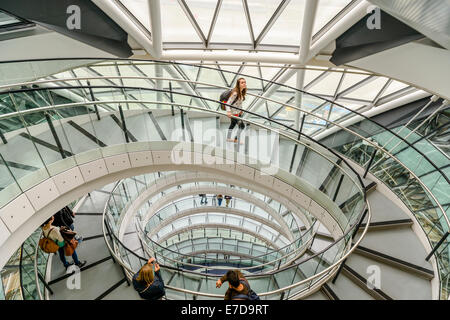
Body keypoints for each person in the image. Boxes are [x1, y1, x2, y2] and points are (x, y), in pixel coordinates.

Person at [226, 78, 247, 143]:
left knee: (232, 124)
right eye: (242, 83)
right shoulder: (235, 93)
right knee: (242, 126)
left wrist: (241, 109)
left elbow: (238, 103)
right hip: (234, 113)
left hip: (238, 112)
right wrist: (228, 112)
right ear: (238, 84)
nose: (244, 84)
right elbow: (228, 103)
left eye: (245, 82)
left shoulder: (241, 92)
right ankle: (235, 139)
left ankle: (228, 138)